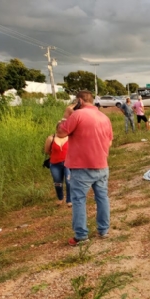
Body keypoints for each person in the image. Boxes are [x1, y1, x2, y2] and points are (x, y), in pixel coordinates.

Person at [57, 90, 113, 246]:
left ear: (80, 101)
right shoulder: (104, 117)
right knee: (102, 197)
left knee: (79, 200)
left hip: (81, 166)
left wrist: (66, 115)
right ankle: (104, 230)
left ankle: (81, 235)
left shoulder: (77, 115)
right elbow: (109, 142)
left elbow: (60, 133)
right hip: (101, 164)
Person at [44, 124, 70, 207]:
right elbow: (47, 150)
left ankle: (69, 200)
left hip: (68, 163)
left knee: (69, 182)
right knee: (58, 182)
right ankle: (60, 198)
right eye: (59, 127)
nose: (61, 129)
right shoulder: (51, 138)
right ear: (57, 128)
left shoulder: (70, 137)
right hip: (55, 164)